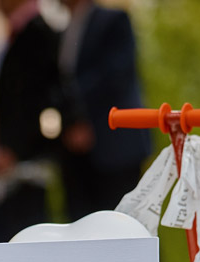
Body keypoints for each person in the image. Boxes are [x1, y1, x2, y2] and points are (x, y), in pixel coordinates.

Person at [0, 0, 60, 243]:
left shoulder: (38, 35)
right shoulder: (10, 41)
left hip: (21, 169)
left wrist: (14, 148)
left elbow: (39, 100)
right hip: (1, 168)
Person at [58, 0, 152, 221]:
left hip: (114, 145)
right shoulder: (65, 31)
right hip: (77, 155)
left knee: (125, 226)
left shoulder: (113, 20)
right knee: (83, 227)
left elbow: (115, 76)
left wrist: (81, 118)